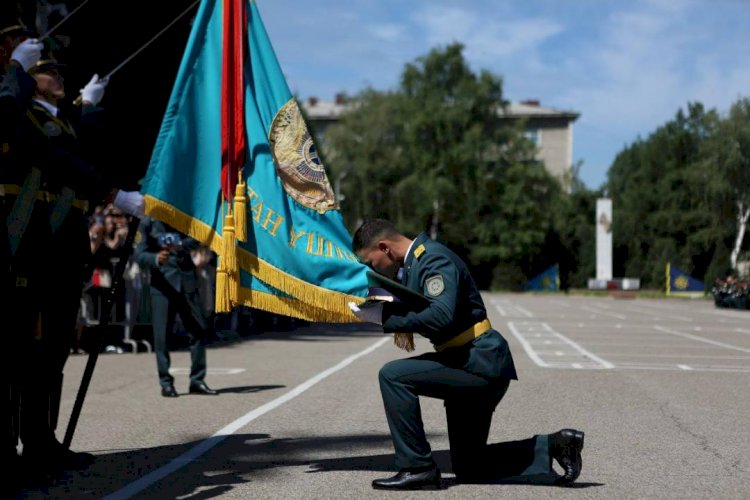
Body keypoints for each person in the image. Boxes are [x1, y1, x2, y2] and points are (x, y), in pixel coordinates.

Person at [351, 219, 585, 490]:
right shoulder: (415, 263)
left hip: (479, 363)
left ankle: (417, 467)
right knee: (470, 466)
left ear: (385, 248)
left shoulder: (433, 259)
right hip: (464, 360)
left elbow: (441, 316)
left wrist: (384, 317)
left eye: (370, 262)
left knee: (393, 375)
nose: (372, 269)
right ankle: (556, 446)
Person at [133, 216, 217, 397]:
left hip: (186, 280)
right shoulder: (149, 222)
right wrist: (156, 258)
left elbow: (197, 237)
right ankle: (166, 383)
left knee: (198, 329)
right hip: (163, 283)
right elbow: (138, 254)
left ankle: (197, 380)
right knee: (162, 336)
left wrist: (179, 244)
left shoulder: (183, 215)